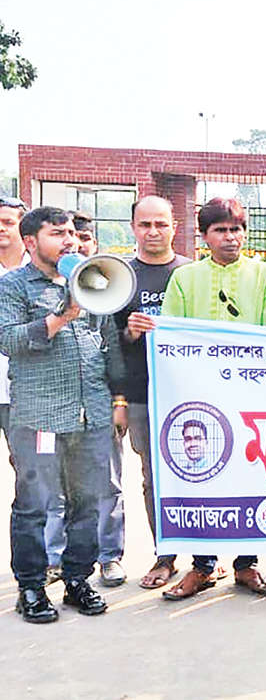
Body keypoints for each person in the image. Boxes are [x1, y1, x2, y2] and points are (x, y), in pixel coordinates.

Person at [159, 197, 266, 601]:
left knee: (250, 475)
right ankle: (202, 566)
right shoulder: (185, 278)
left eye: (236, 229)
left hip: (251, 395)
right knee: (201, 476)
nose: (230, 237)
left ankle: (246, 564)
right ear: (204, 236)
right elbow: (172, 333)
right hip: (198, 397)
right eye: (220, 230)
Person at [0, 207, 123, 623]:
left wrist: (117, 401)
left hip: (92, 414)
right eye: (57, 233)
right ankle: (32, 587)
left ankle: (77, 579)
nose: (69, 240)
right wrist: (60, 317)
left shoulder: (92, 279)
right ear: (31, 242)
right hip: (39, 416)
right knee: (34, 505)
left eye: (71, 232)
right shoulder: (13, 286)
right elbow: (9, 341)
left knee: (87, 503)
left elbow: (108, 343)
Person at [45, 210, 127, 587]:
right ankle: (54, 557)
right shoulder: (37, 288)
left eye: (83, 239)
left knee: (106, 483)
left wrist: (119, 400)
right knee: (53, 483)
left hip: (97, 403)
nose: (75, 245)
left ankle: (109, 556)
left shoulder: (104, 287)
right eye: (67, 237)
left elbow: (114, 349)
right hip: (51, 405)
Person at [113, 195, 191, 589]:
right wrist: (130, 333)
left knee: (203, 473)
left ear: (174, 226)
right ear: (133, 228)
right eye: (145, 224)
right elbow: (107, 343)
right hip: (143, 394)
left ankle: (205, 558)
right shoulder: (120, 276)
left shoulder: (191, 273)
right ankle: (166, 554)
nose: (153, 232)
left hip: (192, 392)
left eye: (161, 224)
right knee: (154, 477)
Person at [0, 195, 30, 459]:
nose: (1, 228)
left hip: (25, 392)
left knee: (28, 465)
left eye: (8, 222)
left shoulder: (42, 270)